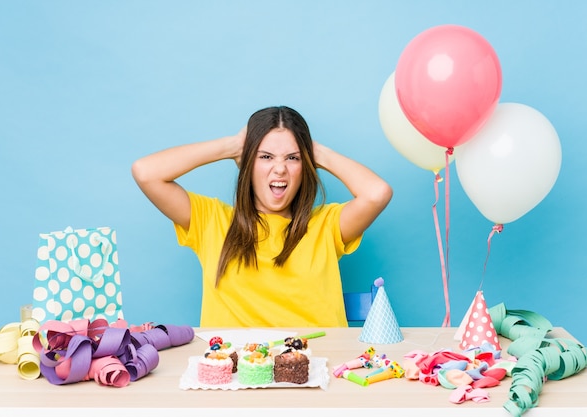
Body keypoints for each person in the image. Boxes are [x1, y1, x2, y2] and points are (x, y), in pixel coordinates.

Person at [131, 105, 392, 327]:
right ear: (248, 163)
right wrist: (232, 146)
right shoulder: (211, 221)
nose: (280, 168)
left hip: (316, 372)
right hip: (235, 377)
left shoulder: (327, 225)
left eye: (292, 158)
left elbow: (377, 193)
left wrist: (317, 153)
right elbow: (145, 172)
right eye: (265, 156)